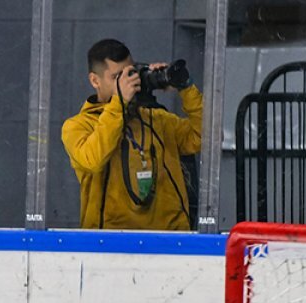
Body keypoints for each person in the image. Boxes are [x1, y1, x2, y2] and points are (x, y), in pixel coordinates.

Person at [61, 39, 202, 231]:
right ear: (95, 80)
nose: (129, 82)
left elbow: (203, 137)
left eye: (131, 73)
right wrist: (119, 103)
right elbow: (93, 160)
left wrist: (185, 88)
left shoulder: (157, 119)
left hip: (169, 240)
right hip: (111, 243)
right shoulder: (78, 126)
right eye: (117, 77)